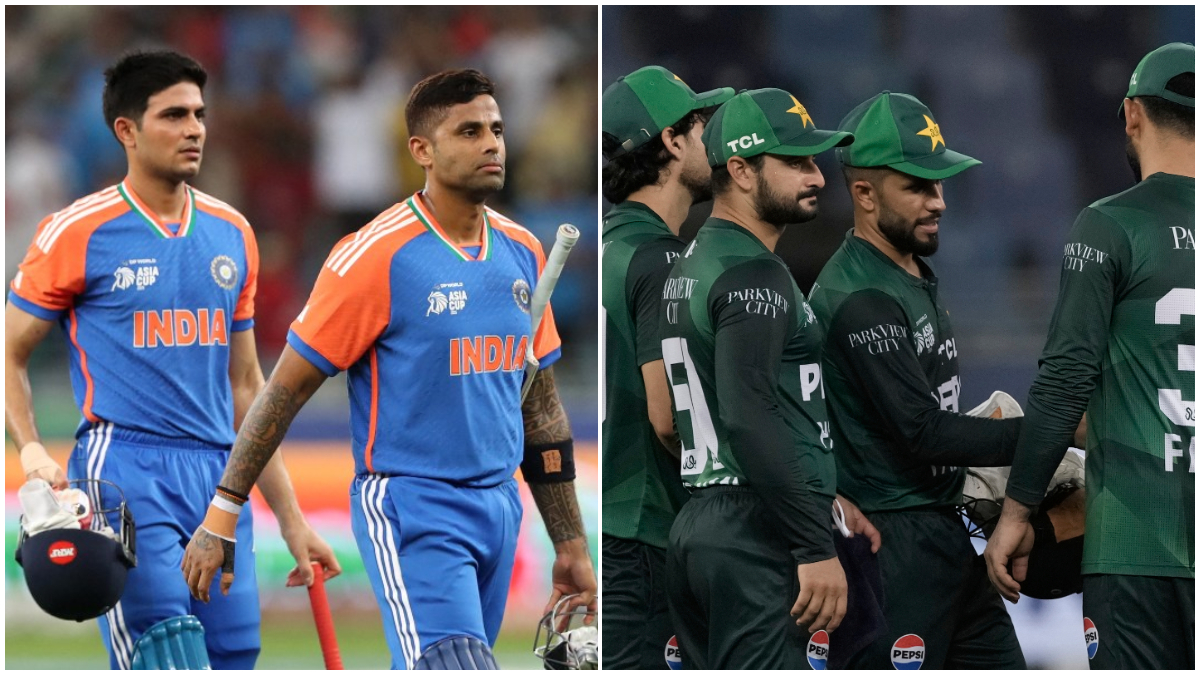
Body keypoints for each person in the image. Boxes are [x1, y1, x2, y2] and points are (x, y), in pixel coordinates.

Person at [180, 68, 596, 670]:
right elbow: (283, 392)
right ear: (421, 151)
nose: (491, 144)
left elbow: (541, 410)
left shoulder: (523, 251)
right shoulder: (375, 255)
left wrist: (570, 544)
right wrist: (224, 510)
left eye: (497, 130)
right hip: (412, 506)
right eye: (470, 131)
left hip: (500, 507)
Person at [5, 49, 339, 670]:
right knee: (166, 648)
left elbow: (248, 388)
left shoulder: (233, 233)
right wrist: (28, 449)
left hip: (220, 481)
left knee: (234, 654)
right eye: (174, 115)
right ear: (126, 131)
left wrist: (292, 520)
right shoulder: (76, 231)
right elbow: (9, 352)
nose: (194, 129)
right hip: (124, 469)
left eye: (199, 115)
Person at [985, 43, 1195, 670]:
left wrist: (1017, 510)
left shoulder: (1110, 225)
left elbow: (1065, 380)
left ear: (1132, 113)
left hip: (1139, 544)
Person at [807, 91, 1026, 669]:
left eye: (941, 185)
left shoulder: (905, 271)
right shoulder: (860, 297)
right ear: (864, 194)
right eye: (919, 188)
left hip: (940, 531)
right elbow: (922, 432)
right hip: (890, 545)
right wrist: (1051, 433)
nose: (939, 202)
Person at [659, 88, 866, 668]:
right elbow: (748, 415)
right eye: (795, 162)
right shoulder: (754, 273)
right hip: (756, 526)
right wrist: (812, 543)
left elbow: (668, 418)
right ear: (742, 170)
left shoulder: (691, 265)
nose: (818, 177)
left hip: (701, 521)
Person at [600, 65, 732, 670]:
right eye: (702, 126)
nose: (715, 141)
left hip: (614, 523)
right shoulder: (661, 261)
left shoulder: (610, 247)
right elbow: (669, 419)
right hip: (649, 531)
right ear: (673, 142)